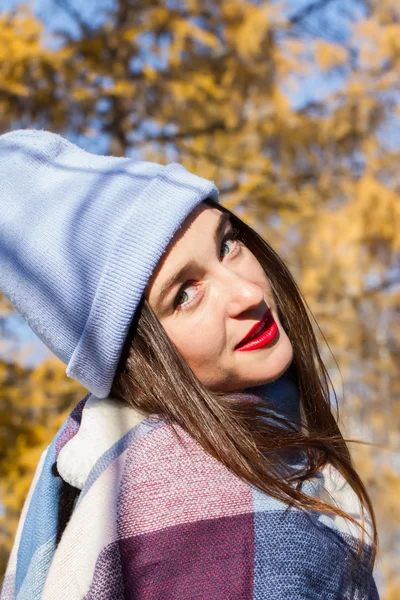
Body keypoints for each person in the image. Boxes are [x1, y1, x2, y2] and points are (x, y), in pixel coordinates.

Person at [0, 129, 379, 599]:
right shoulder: (202, 512)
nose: (249, 294)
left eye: (227, 244)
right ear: (134, 367)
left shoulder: (110, 460)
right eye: (185, 294)